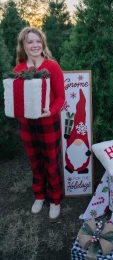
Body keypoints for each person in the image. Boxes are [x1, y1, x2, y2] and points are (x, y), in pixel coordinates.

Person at [14, 27, 65, 221]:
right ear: (23, 46)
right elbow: (18, 98)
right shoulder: (19, 70)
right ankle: (39, 195)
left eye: (38, 41)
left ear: (43, 44)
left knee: (51, 161)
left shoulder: (52, 67)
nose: (35, 45)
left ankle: (55, 199)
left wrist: (50, 111)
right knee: (35, 160)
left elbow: (60, 97)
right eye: (30, 42)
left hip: (48, 122)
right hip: (27, 124)